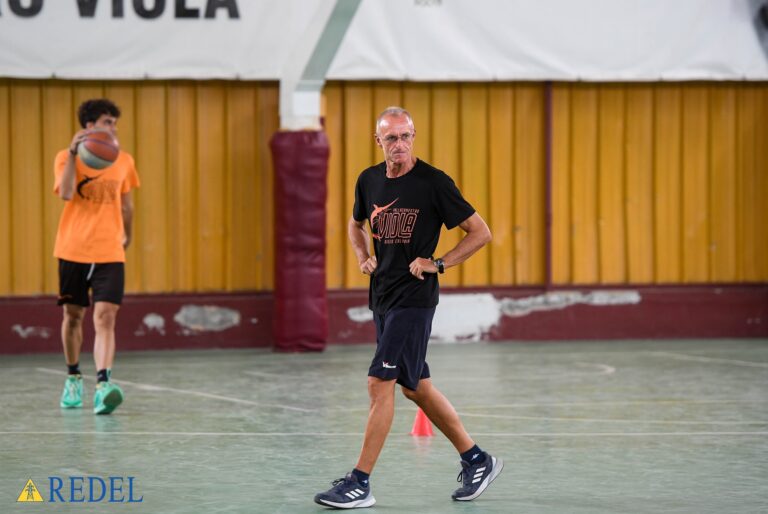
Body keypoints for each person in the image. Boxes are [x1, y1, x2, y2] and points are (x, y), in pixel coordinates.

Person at [314, 107, 501, 509]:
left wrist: (438, 264)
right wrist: (363, 255)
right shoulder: (368, 180)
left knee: (378, 383)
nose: (399, 145)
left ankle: (359, 483)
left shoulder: (433, 183)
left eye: (406, 136)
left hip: (414, 300)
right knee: (416, 386)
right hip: (382, 296)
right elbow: (355, 223)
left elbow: (480, 232)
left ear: (414, 136)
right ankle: (477, 459)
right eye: (391, 138)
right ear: (377, 141)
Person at [54, 98, 140, 415]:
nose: (113, 128)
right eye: (107, 122)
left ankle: (103, 386)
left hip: (109, 251)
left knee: (105, 317)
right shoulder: (65, 157)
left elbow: (128, 205)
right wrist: (74, 154)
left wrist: (127, 235)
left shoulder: (124, 160)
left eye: (115, 123)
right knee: (73, 316)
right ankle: (74, 376)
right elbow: (65, 193)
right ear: (89, 126)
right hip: (73, 249)